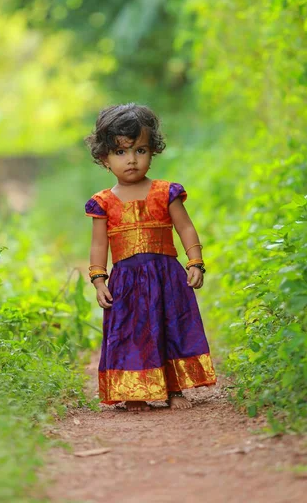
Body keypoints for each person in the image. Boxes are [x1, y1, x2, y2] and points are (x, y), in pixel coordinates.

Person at [84, 103, 216, 411]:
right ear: (104, 158)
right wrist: (98, 279)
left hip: (166, 278)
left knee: (170, 329)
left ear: (153, 151)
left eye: (140, 150)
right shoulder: (103, 203)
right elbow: (98, 246)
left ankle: (174, 390)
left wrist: (195, 261)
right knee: (133, 333)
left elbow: (185, 228)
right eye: (120, 152)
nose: (131, 160)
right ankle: (134, 392)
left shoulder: (165, 192)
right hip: (127, 284)